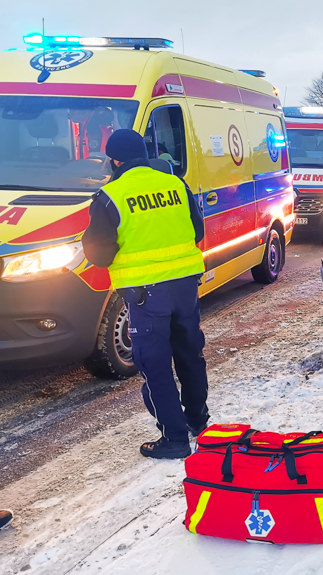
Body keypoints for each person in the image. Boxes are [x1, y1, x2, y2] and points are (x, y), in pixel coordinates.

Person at [82, 129, 208, 460]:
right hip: (185, 285)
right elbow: (198, 230)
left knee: (155, 365)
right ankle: (199, 423)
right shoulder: (176, 185)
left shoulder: (110, 196)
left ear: (114, 161)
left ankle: (175, 438)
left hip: (145, 293)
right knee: (189, 354)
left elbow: (98, 255)